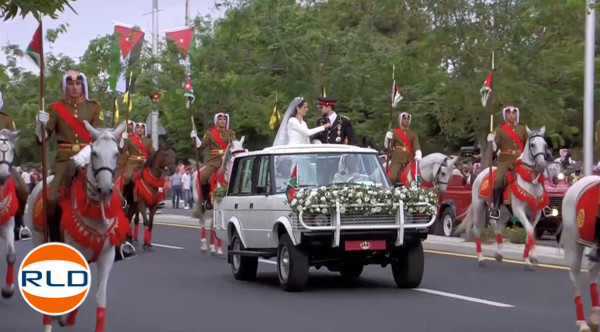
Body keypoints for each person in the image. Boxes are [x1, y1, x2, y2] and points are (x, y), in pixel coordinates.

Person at [35, 70, 135, 261]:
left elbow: (99, 134)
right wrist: (40, 126)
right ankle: (55, 241)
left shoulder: (93, 107)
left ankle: (121, 242)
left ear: (83, 86)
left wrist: (86, 152)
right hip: (65, 161)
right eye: (71, 84)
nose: (74, 87)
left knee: (117, 197)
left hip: (91, 157)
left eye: (78, 84)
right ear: (65, 87)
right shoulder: (56, 108)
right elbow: (44, 138)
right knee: (51, 199)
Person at [486, 106, 528, 220]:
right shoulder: (500, 129)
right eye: (508, 114)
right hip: (505, 160)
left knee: (536, 177)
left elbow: (529, 144)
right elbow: (495, 148)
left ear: (516, 115)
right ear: (505, 116)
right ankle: (496, 208)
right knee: (499, 180)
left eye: (513, 113)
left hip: (521, 159)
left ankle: (543, 206)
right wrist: (492, 141)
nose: (511, 115)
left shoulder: (523, 128)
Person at [0, 92, 31, 241]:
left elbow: (13, 140)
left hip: (4, 162)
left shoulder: (6, 119)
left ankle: (19, 223)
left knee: (23, 189)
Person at [195, 112, 235, 210]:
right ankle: (206, 199)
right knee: (204, 177)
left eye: (224, 119)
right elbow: (202, 146)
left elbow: (233, 145)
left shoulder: (230, 132)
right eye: (220, 119)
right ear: (216, 121)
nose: (222, 121)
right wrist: (195, 138)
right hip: (214, 160)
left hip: (227, 159)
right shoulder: (209, 133)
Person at [119, 122, 155, 207]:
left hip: (144, 162)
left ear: (144, 130)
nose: (140, 129)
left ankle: (155, 198)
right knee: (127, 178)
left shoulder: (148, 141)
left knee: (154, 178)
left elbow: (152, 152)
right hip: (132, 162)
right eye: (138, 128)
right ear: (135, 129)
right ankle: (123, 197)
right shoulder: (130, 139)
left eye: (142, 128)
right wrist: (122, 140)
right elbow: (122, 150)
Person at [384, 112, 422, 185]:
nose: (406, 120)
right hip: (397, 159)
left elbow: (416, 145)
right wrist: (387, 138)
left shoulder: (413, 134)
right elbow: (387, 147)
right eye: (404, 118)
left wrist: (418, 153)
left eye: (408, 119)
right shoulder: (394, 132)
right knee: (392, 177)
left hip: (410, 159)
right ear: (400, 120)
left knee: (418, 176)